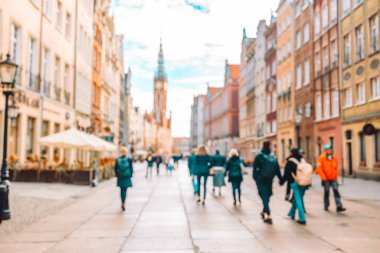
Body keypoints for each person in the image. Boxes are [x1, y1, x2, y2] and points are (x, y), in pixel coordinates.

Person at [253, 141, 282, 224]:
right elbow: (277, 169)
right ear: (269, 146)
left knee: (264, 196)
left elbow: (255, 169)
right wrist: (281, 179)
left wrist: (256, 178)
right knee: (267, 196)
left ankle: (269, 215)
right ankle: (264, 211)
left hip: (261, 179)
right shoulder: (272, 157)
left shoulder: (259, 156)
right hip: (270, 179)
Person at [281, 148, 309, 225]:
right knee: (298, 198)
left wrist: (281, 182)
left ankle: (302, 218)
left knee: (298, 199)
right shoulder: (303, 160)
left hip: (295, 182)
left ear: (291, 153)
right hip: (304, 182)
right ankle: (292, 213)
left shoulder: (290, 161)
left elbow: (286, 174)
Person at [316, 144, 346, 213]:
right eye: (328, 149)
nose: (329, 150)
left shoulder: (334, 157)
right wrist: (323, 178)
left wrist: (336, 178)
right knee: (327, 192)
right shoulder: (321, 158)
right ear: (325, 150)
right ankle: (326, 205)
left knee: (336, 191)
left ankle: (339, 206)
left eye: (330, 149)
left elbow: (335, 168)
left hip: (333, 178)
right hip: (326, 179)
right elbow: (319, 169)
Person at [114, 147, 133, 211]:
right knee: (125, 190)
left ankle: (122, 202)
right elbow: (131, 168)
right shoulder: (129, 159)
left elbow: (115, 169)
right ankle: (123, 203)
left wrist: (117, 175)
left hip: (120, 177)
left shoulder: (118, 159)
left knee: (121, 190)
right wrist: (130, 175)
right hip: (127, 177)